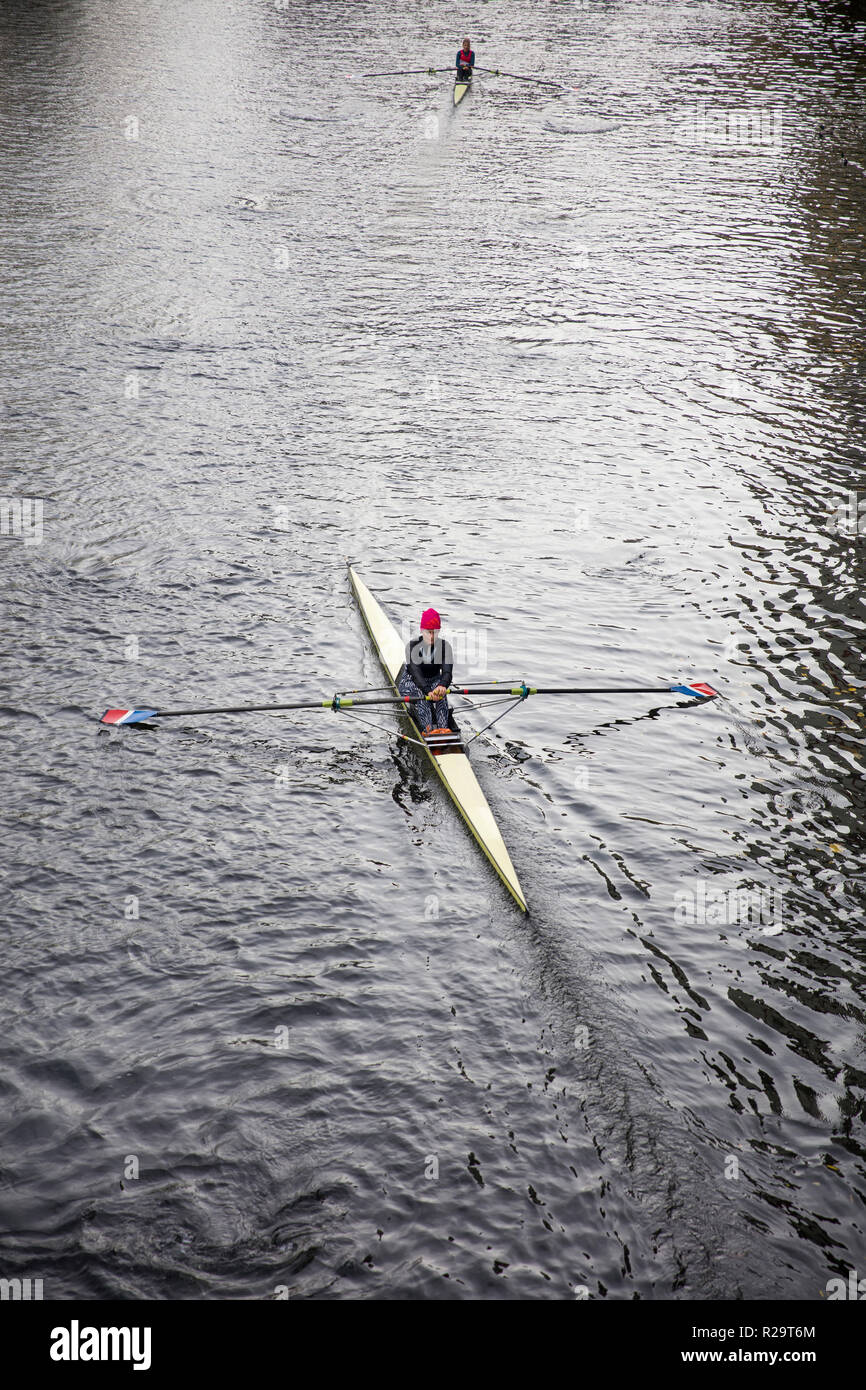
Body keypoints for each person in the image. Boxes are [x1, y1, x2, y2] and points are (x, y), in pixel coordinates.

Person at [397, 605, 453, 733]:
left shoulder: (445, 646)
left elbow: (447, 671)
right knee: (420, 695)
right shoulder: (412, 646)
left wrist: (442, 685)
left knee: (441, 694)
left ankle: (443, 729)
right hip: (411, 681)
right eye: (429, 631)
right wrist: (428, 691)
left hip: (433, 680)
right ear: (422, 630)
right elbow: (416, 673)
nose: (432, 636)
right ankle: (428, 730)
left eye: (435, 632)